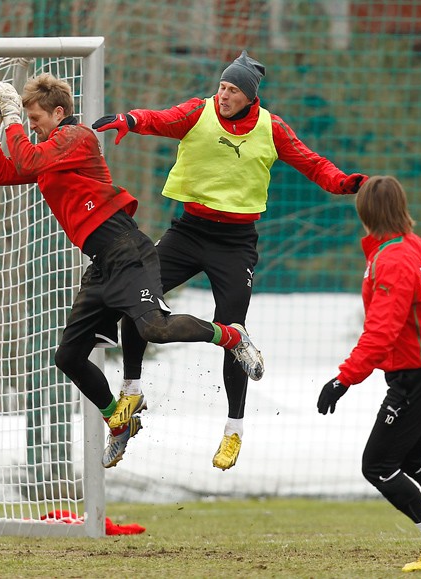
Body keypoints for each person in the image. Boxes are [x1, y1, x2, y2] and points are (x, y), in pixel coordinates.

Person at [92, 50, 368, 470]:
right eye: (222, 86)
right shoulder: (198, 112)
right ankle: (131, 392)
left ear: (249, 97)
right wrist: (129, 120)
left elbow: (311, 163)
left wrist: (343, 183)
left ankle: (233, 431)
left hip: (235, 244)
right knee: (139, 299)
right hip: (187, 232)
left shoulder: (271, 127)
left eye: (233, 90)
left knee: (233, 333)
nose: (223, 95)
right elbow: (161, 119)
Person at [0, 73, 264, 469]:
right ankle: (118, 420)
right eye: (26, 119)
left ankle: (231, 335)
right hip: (102, 263)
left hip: (127, 250)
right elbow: (2, 173)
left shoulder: (75, 138)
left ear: (60, 112)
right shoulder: (49, 150)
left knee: (153, 328)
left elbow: (25, 158)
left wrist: (7, 118)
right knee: (69, 357)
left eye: (35, 117)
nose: (31, 125)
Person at [316, 175, 421, 572]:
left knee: (377, 465)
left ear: (367, 212)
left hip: (414, 376)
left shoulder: (392, 259)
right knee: (414, 456)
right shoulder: (417, 246)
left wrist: (344, 378)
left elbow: (381, 331)